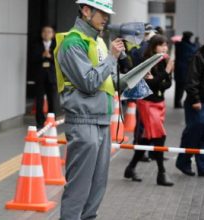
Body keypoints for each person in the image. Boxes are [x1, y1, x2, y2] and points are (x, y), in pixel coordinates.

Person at [54, 0, 124, 219]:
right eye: (102, 13)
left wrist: (135, 80)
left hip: (102, 120)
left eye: (107, 13)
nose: (106, 18)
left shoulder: (99, 43)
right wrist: (112, 58)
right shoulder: (73, 43)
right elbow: (89, 82)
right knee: (79, 189)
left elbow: (108, 81)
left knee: (97, 188)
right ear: (86, 11)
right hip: (84, 120)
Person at [124, 35, 175, 186]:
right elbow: (151, 85)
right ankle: (161, 172)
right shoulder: (148, 63)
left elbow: (166, 85)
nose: (164, 48)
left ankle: (130, 168)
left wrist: (161, 77)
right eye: (161, 45)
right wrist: (165, 73)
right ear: (153, 47)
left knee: (147, 138)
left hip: (160, 103)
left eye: (166, 45)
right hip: (147, 104)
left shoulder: (163, 62)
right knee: (160, 137)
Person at [176, 35, 204, 177]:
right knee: (193, 134)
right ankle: (183, 161)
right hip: (199, 103)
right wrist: (195, 100)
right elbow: (191, 81)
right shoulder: (198, 57)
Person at [33, 25, 58, 127]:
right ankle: (39, 121)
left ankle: (51, 120)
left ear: (53, 34)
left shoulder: (56, 45)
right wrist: (42, 55)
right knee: (39, 99)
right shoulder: (36, 44)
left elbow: (59, 60)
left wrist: (50, 57)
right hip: (40, 76)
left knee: (52, 99)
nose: (46, 34)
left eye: (49, 32)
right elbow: (32, 58)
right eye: (44, 31)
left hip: (51, 76)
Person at [174, 31, 197, 108]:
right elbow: (193, 51)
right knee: (183, 87)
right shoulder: (187, 46)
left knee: (178, 88)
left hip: (179, 70)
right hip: (184, 71)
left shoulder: (179, 45)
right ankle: (179, 103)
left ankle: (177, 102)